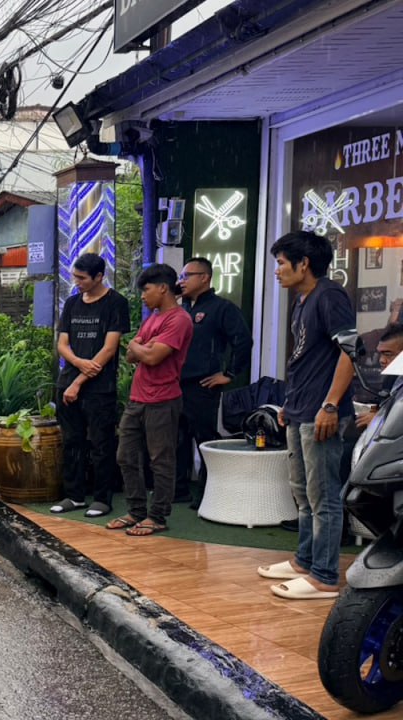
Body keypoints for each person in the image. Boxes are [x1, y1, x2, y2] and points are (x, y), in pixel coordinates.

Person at [258, 231, 355, 601]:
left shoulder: (330, 295)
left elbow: (350, 352)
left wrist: (331, 404)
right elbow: (305, 359)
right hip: (299, 409)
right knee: (301, 492)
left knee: (324, 495)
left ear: (304, 264)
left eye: (282, 263)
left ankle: (325, 576)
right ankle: (304, 560)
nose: (278, 271)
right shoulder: (302, 300)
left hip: (322, 413)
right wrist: (289, 402)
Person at [106, 264, 194, 536]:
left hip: (163, 399)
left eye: (146, 289)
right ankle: (136, 511)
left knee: (160, 460)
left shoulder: (179, 320)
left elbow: (153, 357)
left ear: (163, 288)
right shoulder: (152, 318)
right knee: (125, 456)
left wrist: (139, 347)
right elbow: (132, 353)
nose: (143, 296)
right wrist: (141, 347)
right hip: (138, 397)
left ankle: (157, 516)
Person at [50, 253, 131, 518]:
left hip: (99, 388)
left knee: (101, 443)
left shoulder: (115, 303)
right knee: (72, 442)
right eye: (75, 276)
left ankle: (102, 498)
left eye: (82, 278)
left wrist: (81, 377)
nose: (77, 282)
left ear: (99, 277)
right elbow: (62, 344)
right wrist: (78, 363)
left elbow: (109, 349)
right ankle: (74, 495)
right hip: (69, 382)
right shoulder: (72, 303)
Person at [175, 258, 252, 507]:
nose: (181, 281)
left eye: (187, 276)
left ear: (205, 277)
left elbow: (243, 341)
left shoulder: (222, 308)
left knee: (203, 438)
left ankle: (208, 491)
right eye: (181, 276)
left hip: (203, 384)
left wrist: (228, 374)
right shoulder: (180, 308)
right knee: (177, 438)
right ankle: (178, 489)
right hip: (176, 383)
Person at [355, 323, 403, 430]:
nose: (381, 360)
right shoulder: (391, 379)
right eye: (380, 354)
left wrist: (379, 420)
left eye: (388, 354)